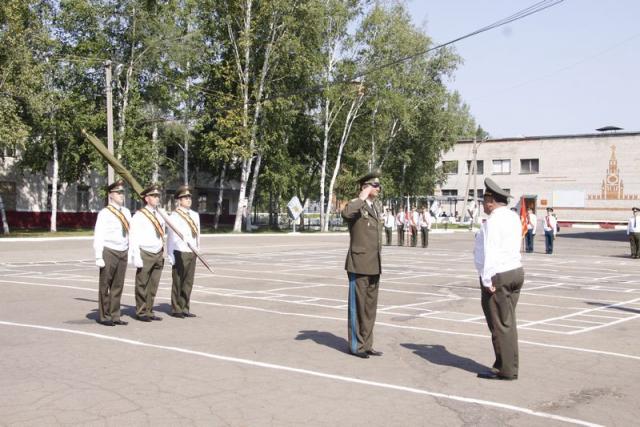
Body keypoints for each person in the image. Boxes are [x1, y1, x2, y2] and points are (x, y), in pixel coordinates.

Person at [474, 177, 524, 381]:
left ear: (491, 201)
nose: (484, 205)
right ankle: (507, 364)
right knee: (508, 322)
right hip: (515, 271)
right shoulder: (512, 217)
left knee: (500, 324)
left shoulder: (493, 221)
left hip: (499, 274)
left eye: (484, 201)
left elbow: (491, 251)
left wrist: (487, 281)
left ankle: (506, 369)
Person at [341, 170, 384, 359]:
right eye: (375, 185)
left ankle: (367, 344)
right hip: (359, 264)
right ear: (365, 187)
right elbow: (346, 213)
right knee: (357, 307)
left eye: (378, 185)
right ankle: (356, 345)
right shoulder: (356, 206)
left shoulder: (375, 207)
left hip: (374, 264)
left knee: (369, 308)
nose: (378, 188)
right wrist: (360, 198)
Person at [93, 180, 132, 326]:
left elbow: (130, 233)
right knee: (105, 285)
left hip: (123, 250)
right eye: (118, 193)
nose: (121, 195)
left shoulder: (127, 212)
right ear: (111, 195)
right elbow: (99, 234)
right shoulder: (105, 213)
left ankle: (115, 315)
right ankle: (104, 316)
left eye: (122, 192)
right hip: (109, 250)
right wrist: (98, 255)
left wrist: (131, 251)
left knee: (118, 285)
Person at [129, 184, 166, 322]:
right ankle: (141, 311)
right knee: (142, 284)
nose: (157, 198)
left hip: (158, 252)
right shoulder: (140, 215)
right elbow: (133, 236)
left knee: (153, 284)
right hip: (145, 252)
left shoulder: (161, 214)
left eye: (158, 196)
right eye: (154, 196)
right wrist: (136, 255)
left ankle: (149, 310)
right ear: (146, 198)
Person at [167, 185, 200, 318]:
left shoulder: (195, 215)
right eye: (185, 198)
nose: (188, 199)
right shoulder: (174, 216)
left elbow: (198, 234)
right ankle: (176, 308)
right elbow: (171, 237)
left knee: (188, 281)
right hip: (179, 251)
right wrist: (170, 253)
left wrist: (198, 248)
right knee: (178, 281)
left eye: (189, 197)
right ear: (179, 200)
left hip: (192, 251)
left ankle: (185, 307)